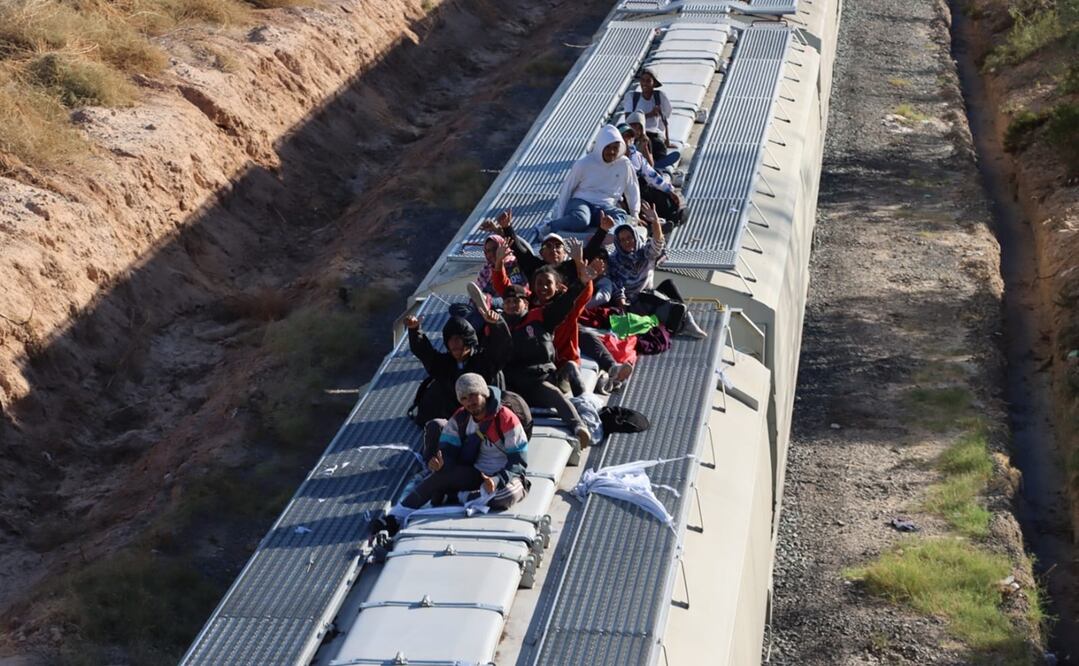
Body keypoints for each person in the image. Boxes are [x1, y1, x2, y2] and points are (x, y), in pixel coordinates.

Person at [373, 374, 530, 537]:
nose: (469, 402)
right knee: (438, 477)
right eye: (464, 398)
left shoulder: (506, 419)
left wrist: (497, 481)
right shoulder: (461, 418)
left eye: (472, 395)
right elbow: (449, 452)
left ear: (484, 393)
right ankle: (394, 517)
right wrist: (441, 464)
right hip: (476, 473)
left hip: (504, 476)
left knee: (507, 495)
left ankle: (460, 496)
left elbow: (518, 463)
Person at [500, 283, 592, 449]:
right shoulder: (497, 326)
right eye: (508, 302)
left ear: (525, 304)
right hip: (512, 386)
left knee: (555, 394)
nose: (512, 305)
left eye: (516, 301)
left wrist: (580, 283)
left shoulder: (539, 318)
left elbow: (562, 306)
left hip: (539, 380)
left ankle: (579, 425)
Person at [603, 203, 708, 339]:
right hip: (634, 302)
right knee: (654, 298)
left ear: (635, 237)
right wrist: (623, 310)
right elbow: (618, 290)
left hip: (650, 294)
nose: (627, 242)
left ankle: (688, 321)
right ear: (618, 243)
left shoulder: (644, 252)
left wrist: (655, 223)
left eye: (629, 238)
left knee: (668, 285)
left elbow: (657, 244)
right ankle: (678, 324)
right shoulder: (615, 261)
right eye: (622, 240)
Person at [406, 309, 511, 424]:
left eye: (458, 339)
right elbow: (424, 352)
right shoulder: (444, 364)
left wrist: (495, 324)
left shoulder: (484, 361)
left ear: (468, 340)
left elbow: (501, 346)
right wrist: (414, 330)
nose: (453, 343)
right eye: (450, 339)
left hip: (484, 418)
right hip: (454, 420)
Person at [547, 124, 640, 233]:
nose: (612, 152)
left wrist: (635, 214)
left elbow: (632, 188)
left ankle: (609, 234)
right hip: (581, 202)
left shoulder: (624, 164)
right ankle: (549, 226)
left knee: (622, 216)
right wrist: (559, 216)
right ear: (601, 146)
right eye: (608, 147)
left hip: (605, 207)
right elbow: (567, 189)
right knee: (581, 221)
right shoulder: (584, 163)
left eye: (615, 148)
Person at [618, 122, 683, 224]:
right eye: (624, 137)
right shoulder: (615, 160)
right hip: (625, 193)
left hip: (641, 188)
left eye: (630, 136)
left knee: (664, 199)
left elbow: (651, 174)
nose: (627, 140)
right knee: (641, 206)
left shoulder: (637, 156)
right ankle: (651, 225)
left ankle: (671, 217)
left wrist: (668, 190)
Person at [622, 69, 680, 170]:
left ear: (653, 83)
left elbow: (665, 118)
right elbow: (628, 118)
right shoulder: (632, 97)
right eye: (642, 80)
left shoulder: (659, 97)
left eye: (648, 81)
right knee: (640, 146)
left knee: (657, 145)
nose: (645, 84)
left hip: (652, 133)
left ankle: (658, 164)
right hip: (636, 134)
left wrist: (667, 140)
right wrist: (650, 114)